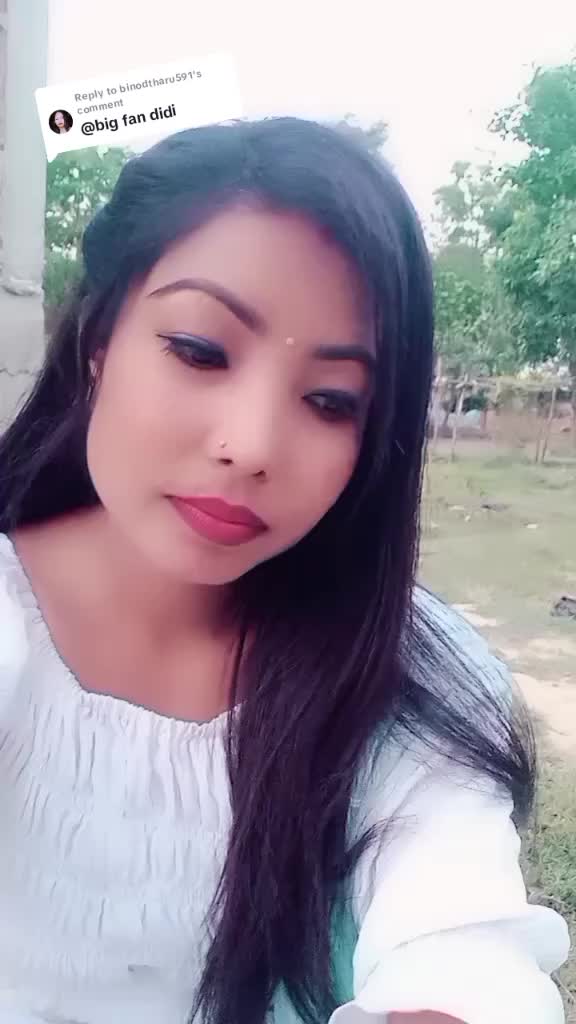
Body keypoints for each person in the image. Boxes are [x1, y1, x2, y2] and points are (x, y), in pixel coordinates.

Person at [0, 117, 569, 1024]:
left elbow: (462, 948)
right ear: (99, 338)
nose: (253, 444)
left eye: (332, 401)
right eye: (200, 350)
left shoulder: (402, 669)